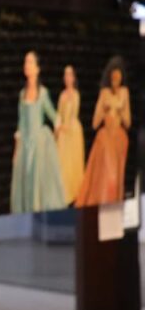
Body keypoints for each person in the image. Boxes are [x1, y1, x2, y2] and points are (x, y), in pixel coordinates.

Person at [11, 51, 66, 213]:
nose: (26, 65)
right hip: (25, 144)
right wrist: (17, 149)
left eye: (30, 62)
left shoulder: (42, 93)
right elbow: (21, 123)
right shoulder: (22, 94)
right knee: (25, 179)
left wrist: (55, 137)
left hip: (39, 144)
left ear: (37, 68)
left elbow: (53, 115)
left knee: (37, 181)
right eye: (25, 62)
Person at [76, 56, 132, 207]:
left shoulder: (124, 92)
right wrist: (104, 111)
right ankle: (102, 202)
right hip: (106, 134)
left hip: (118, 136)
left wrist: (119, 110)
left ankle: (113, 202)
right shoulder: (104, 93)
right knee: (104, 154)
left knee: (115, 174)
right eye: (113, 77)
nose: (115, 80)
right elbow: (95, 123)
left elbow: (128, 122)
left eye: (118, 77)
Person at [55, 65, 84, 205]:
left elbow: (74, 114)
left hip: (73, 132)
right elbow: (59, 114)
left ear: (73, 78)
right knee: (62, 164)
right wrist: (57, 128)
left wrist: (66, 127)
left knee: (73, 163)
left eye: (70, 75)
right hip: (63, 132)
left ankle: (75, 194)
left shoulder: (76, 94)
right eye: (65, 75)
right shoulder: (62, 95)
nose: (67, 78)